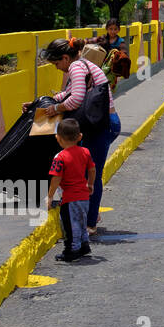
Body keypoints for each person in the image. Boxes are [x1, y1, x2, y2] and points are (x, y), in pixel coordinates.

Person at [25, 38, 120, 237]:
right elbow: (65, 94)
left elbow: (75, 99)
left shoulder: (76, 67)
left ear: (66, 57)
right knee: (85, 169)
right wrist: (38, 105)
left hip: (102, 125)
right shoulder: (81, 66)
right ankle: (90, 214)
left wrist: (54, 109)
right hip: (97, 124)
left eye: (57, 63)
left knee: (92, 171)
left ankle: (91, 222)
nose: (58, 68)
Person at [47, 117, 95, 262]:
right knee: (81, 221)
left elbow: (56, 178)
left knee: (69, 226)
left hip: (70, 199)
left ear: (58, 138)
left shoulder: (60, 157)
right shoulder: (85, 152)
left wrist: (50, 196)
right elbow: (92, 169)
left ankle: (71, 250)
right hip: (84, 196)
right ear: (79, 136)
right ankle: (84, 245)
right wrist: (90, 184)